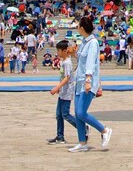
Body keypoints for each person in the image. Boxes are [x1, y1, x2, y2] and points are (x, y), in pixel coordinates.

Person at [69, 16, 113, 153]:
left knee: (82, 112)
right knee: (77, 113)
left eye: (78, 26)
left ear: (82, 28)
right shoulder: (84, 42)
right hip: (79, 80)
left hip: (87, 81)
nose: (77, 28)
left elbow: (91, 64)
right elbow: (82, 59)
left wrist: (88, 80)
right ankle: (82, 142)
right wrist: (74, 53)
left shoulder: (93, 43)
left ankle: (104, 130)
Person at [47, 40, 80, 145]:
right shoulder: (64, 62)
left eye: (59, 50)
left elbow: (67, 77)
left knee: (65, 114)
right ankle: (60, 136)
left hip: (67, 92)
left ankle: (82, 127)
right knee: (59, 115)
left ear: (65, 51)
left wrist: (57, 87)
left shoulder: (67, 63)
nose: (58, 52)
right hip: (63, 92)